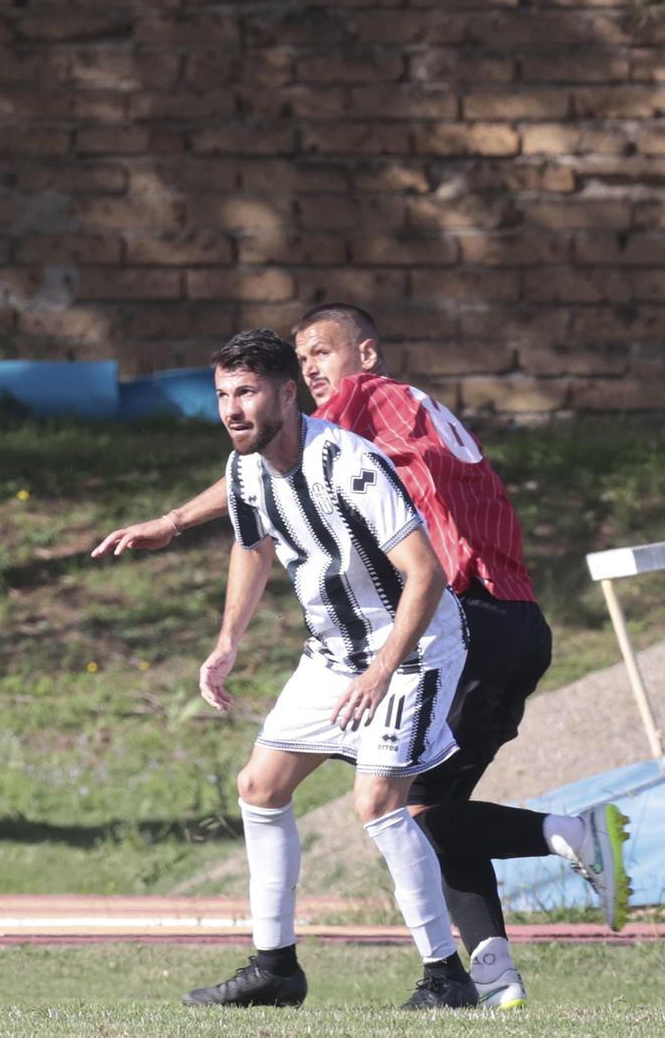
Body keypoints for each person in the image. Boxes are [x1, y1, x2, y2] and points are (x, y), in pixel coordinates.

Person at [93, 304, 629, 1008]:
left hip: (461, 619)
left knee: (396, 805)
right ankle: (467, 966)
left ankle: (468, 958)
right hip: (456, 621)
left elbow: (398, 547)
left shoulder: (356, 411)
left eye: (320, 354)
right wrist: (224, 639)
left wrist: (170, 519)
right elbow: (251, 511)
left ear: (361, 358)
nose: (312, 369)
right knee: (336, 795)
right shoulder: (336, 432)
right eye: (300, 355)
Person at [181, 329, 477, 1010]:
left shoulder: (348, 463)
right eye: (223, 393)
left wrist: (379, 671)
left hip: (412, 652)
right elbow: (250, 547)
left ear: (287, 393)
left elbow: (424, 574)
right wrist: (227, 641)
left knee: (375, 804)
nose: (231, 408)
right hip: (331, 656)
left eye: (246, 392)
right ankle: (275, 968)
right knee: (258, 786)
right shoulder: (244, 469)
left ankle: (446, 979)